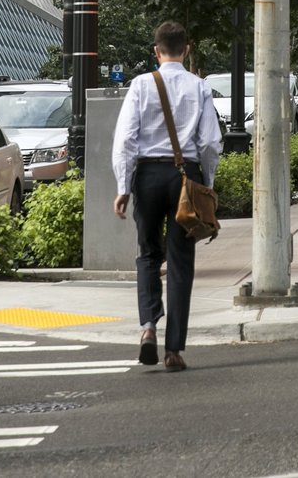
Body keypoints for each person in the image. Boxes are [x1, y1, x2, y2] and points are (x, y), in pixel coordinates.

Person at [112, 20, 222, 371]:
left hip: (147, 175)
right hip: (184, 177)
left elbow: (126, 139)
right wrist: (208, 181)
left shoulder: (141, 85)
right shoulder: (199, 86)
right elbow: (209, 142)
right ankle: (174, 349)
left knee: (147, 254)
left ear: (156, 51)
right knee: (180, 260)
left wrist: (123, 186)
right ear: (186, 49)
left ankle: (147, 327)